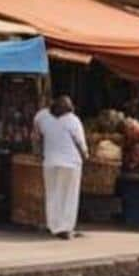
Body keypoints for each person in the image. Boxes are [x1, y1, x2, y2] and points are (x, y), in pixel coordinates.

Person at [33, 95, 87, 239]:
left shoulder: (43, 117)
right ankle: (65, 228)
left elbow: (36, 132)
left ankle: (53, 226)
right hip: (71, 163)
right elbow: (81, 144)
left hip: (50, 163)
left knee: (53, 194)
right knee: (69, 195)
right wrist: (86, 156)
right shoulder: (73, 120)